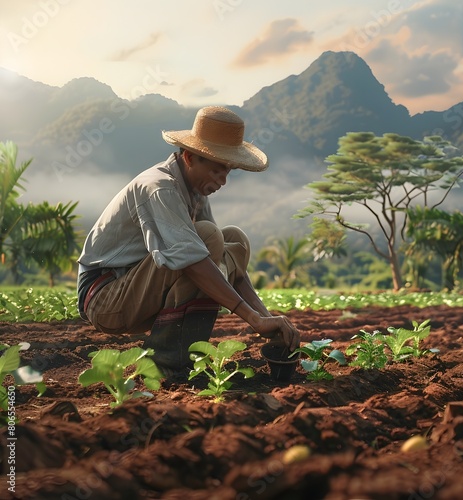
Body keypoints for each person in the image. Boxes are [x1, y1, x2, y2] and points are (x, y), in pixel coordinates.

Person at [77, 105, 301, 378]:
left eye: (228, 171)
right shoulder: (159, 187)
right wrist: (252, 319)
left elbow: (224, 265)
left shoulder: (195, 192)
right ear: (190, 157)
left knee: (234, 240)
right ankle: (166, 366)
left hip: (137, 287)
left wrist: (267, 319)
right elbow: (195, 262)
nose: (223, 181)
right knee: (207, 238)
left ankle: (179, 359)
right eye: (218, 170)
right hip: (105, 298)